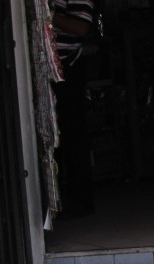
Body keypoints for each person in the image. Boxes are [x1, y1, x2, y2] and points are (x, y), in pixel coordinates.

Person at [51, 0, 97, 219]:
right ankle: (59, 198)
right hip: (54, 68)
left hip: (68, 65)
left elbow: (81, 27)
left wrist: (49, 17)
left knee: (72, 133)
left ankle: (80, 199)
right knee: (55, 137)